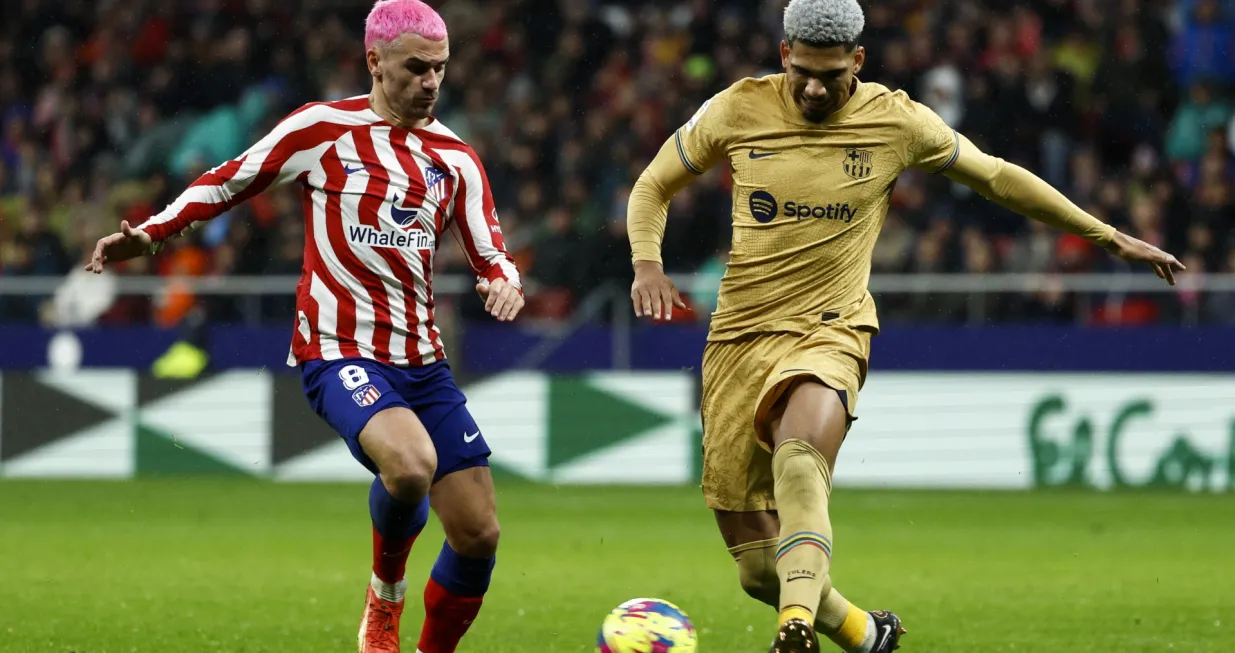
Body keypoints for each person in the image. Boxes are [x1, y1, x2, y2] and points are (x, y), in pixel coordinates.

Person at [625, 0, 1185, 652]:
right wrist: (646, 263)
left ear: (857, 61)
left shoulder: (896, 121)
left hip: (829, 329)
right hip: (737, 340)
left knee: (799, 462)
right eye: (801, 71)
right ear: (783, 55)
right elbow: (651, 186)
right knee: (757, 569)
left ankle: (793, 630)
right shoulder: (735, 107)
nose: (812, 87)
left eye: (830, 75)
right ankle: (864, 633)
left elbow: (997, 178)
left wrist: (1107, 236)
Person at [85, 2, 523, 652]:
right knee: (409, 467)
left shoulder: (454, 158)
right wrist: (151, 235)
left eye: (439, 69)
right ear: (374, 61)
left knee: (479, 533)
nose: (431, 82)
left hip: (422, 362)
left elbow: (490, 249)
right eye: (416, 68)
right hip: (338, 350)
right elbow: (226, 181)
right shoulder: (323, 129)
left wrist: (502, 281)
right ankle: (385, 595)